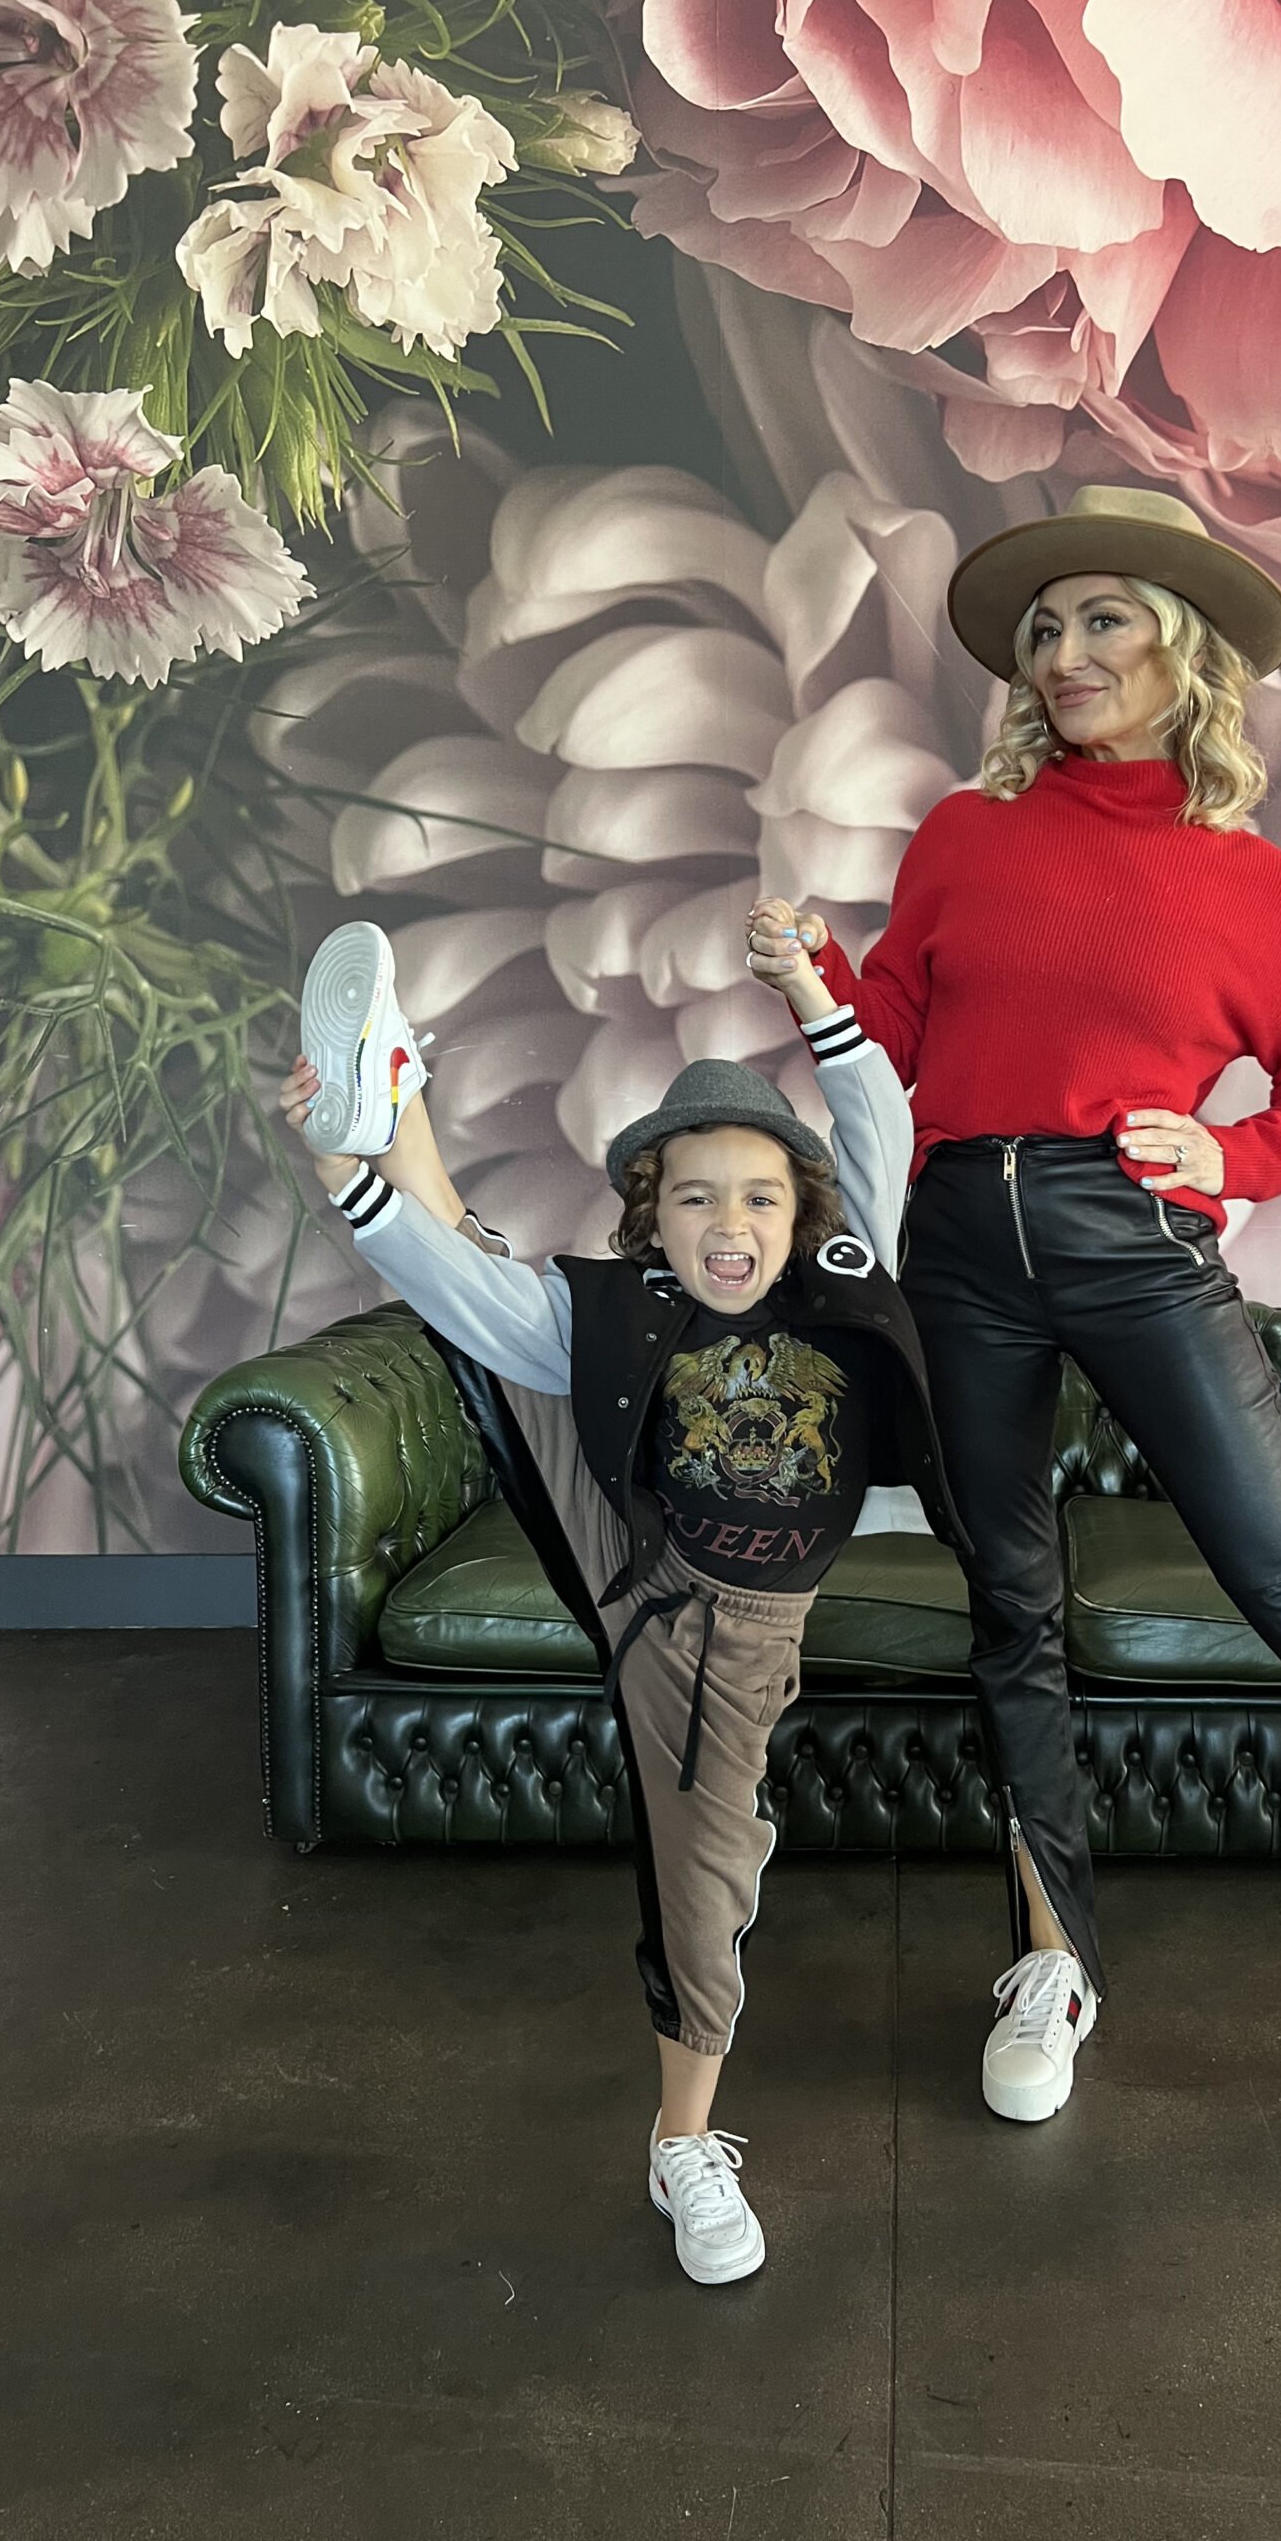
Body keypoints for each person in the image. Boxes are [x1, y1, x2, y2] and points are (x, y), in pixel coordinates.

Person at [746, 483, 1281, 2129]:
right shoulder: (965, 839)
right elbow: (901, 1033)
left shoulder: (1249, 882)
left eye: (1102, 621)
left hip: (1127, 1236)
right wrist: (812, 976)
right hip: (960, 1241)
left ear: (1182, 655)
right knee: (1012, 1602)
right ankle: (1054, 1957)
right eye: (1045, 631)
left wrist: (1220, 1149)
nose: (1064, 654)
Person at [281, 918, 970, 2284]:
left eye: (760, 1198)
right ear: (655, 1213)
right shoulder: (635, 1305)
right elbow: (467, 1294)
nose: (731, 1224)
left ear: (802, 1212)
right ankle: (683, 2144)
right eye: (698, 1197)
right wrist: (338, 1176)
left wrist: (808, 990)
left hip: (744, 1625)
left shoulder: (845, 1283)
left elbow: (880, 1120)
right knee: (504, 1331)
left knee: (507, 1324)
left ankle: (398, 1094)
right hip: (644, 1566)